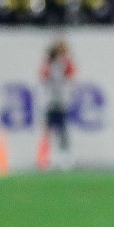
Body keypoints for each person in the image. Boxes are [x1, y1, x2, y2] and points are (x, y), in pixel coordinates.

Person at [39, 40, 76, 171]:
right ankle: (45, 158)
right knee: (48, 131)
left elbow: (71, 77)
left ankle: (64, 158)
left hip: (61, 101)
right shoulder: (49, 65)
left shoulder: (65, 65)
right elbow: (43, 78)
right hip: (50, 101)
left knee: (63, 132)